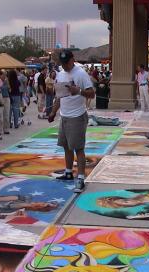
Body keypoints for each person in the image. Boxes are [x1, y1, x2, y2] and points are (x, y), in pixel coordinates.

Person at [48, 50, 95, 192]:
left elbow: (92, 93)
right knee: (66, 146)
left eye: (67, 63)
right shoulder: (61, 74)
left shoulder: (80, 74)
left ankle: (80, 177)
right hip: (64, 116)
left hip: (77, 116)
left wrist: (78, 91)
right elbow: (59, 97)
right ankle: (68, 172)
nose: (65, 66)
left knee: (78, 148)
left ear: (72, 60)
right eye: (62, 64)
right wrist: (53, 112)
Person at [0, 70, 10, 135]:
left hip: (7, 98)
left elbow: (9, 89)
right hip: (0, 98)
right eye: (3, 74)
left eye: (5, 74)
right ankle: (0, 130)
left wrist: (8, 84)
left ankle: (6, 129)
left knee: (6, 114)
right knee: (0, 115)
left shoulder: (6, 81)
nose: (4, 76)